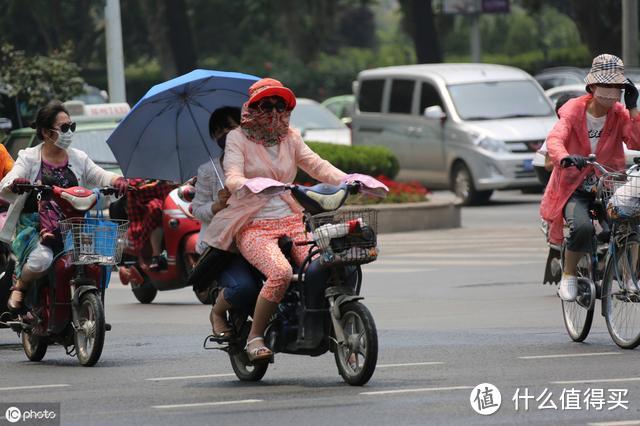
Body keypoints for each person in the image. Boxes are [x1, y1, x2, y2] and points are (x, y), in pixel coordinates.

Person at [202, 78, 347, 361]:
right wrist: (244, 183)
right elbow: (232, 173)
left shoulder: (290, 137)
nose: (273, 112)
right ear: (251, 108)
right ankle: (255, 336)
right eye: (266, 105)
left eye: (280, 105)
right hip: (253, 224)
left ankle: (317, 321)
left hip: (292, 219)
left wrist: (350, 180)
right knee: (280, 272)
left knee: (325, 263)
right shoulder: (237, 138)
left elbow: (317, 165)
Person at [0, 100, 128, 311]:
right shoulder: (29, 157)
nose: (69, 132)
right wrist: (16, 183)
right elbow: (8, 180)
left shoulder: (79, 157)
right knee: (42, 260)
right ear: (46, 132)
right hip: (37, 226)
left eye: (72, 127)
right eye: (64, 128)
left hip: (74, 225)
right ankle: (20, 286)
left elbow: (99, 175)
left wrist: (117, 181)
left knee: (95, 262)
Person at [540, 54, 640, 301]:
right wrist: (564, 157)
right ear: (592, 86)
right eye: (606, 86)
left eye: (617, 87)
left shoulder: (619, 113)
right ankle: (569, 275)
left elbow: (636, 141)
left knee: (630, 223)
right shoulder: (574, 110)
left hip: (608, 184)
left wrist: (633, 107)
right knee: (583, 226)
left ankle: (629, 278)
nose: (611, 92)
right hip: (573, 185)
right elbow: (556, 138)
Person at [191, 106, 262, 337]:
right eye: (220, 131)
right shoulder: (208, 170)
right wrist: (217, 206)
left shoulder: (259, 165)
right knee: (245, 288)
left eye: (231, 127)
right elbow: (197, 210)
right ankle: (218, 313)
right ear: (214, 137)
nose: (226, 134)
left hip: (258, 239)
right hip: (222, 248)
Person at [125, 178, 176, 271]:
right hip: (145, 214)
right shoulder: (139, 176)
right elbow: (133, 184)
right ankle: (156, 255)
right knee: (156, 208)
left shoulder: (169, 177)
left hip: (172, 205)